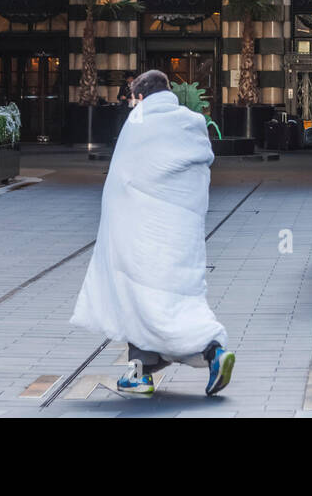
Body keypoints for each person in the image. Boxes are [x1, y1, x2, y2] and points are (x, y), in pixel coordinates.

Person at [69, 69, 235, 398]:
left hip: (143, 236)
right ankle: (213, 352)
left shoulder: (140, 121)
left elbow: (123, 180)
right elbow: (197, 175)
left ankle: (143, 373)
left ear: (141, 97)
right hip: (181, 238)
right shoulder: (190, 122)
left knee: (138, 299)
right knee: (180, 301)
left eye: (133, 99)